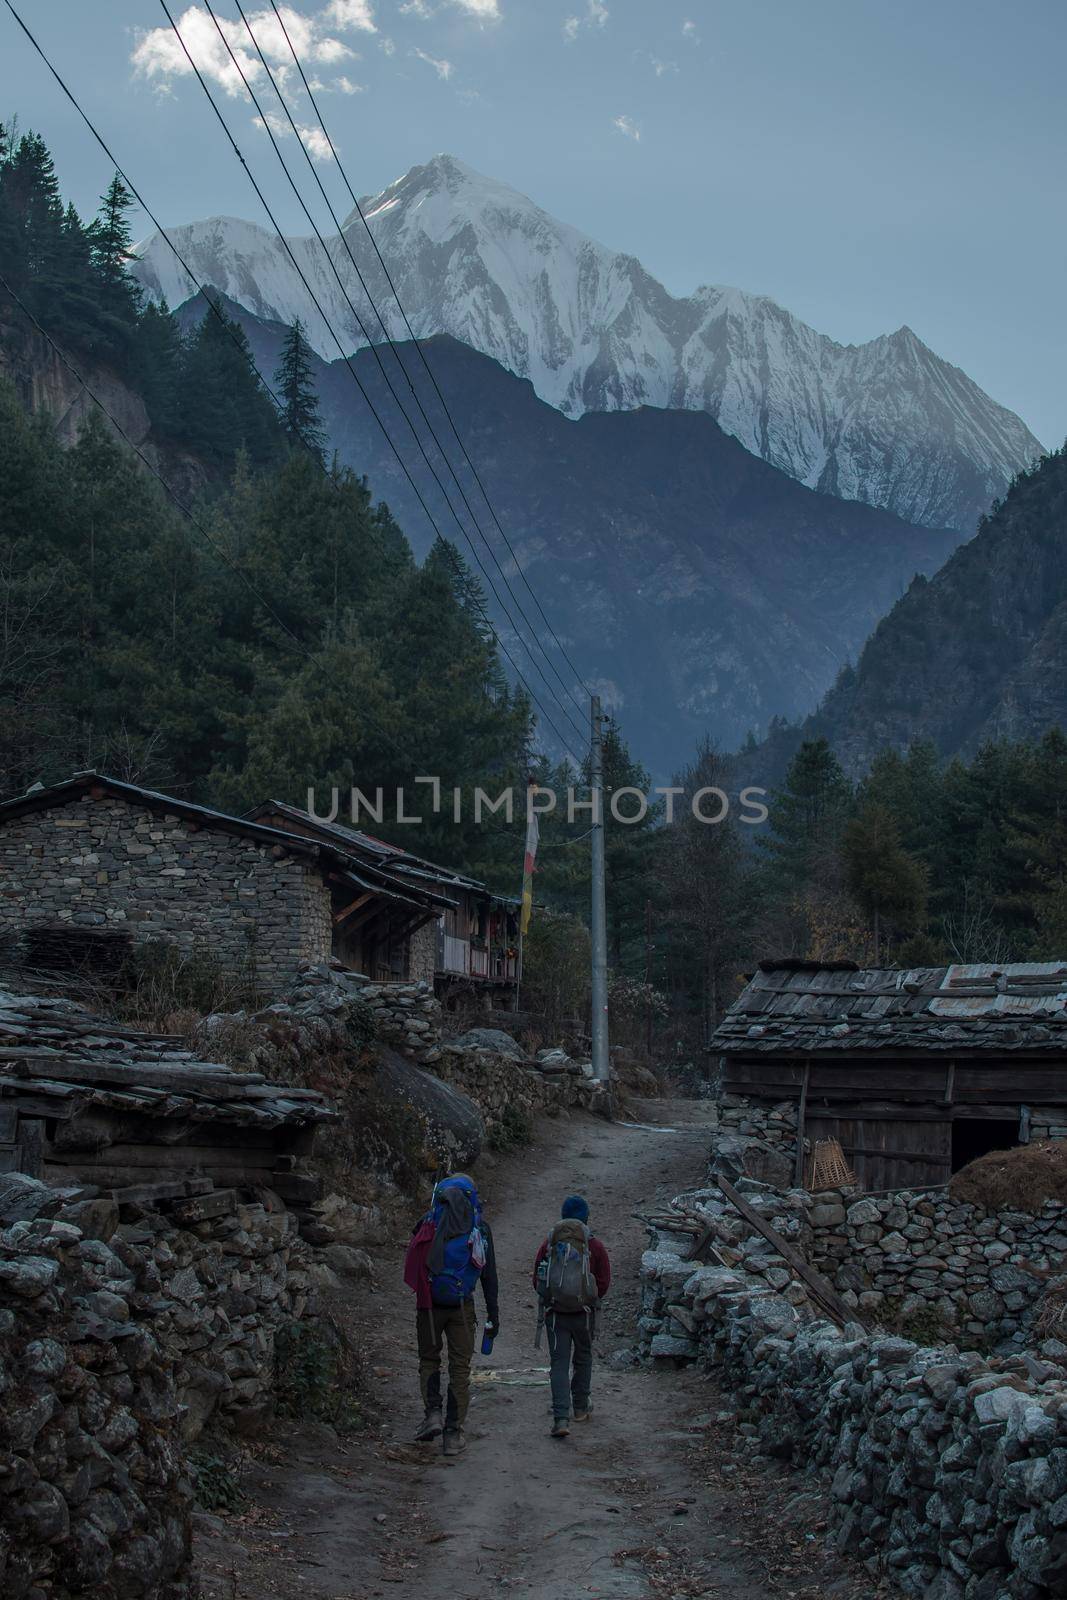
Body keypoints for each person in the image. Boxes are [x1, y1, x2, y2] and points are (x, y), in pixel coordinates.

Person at [403, 1172, 499, 1456]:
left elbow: (416, 1259)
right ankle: (453, 1434)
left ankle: (433, 1413)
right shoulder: (479, 1228)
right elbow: (488, 1278)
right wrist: (493, 1316)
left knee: (429, 1359)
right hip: (461, 1305)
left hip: (429, 1305)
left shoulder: (428, 1221)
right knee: (459, 1368)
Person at [533, 1194, 611, 1438]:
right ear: (586, 1217)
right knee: (584, 1358)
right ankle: (580, 1408)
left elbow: (538, 1279)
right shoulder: (594, 1245)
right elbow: (604, 1281)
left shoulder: (550, 1243)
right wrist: (588, 1297)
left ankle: (560, 1418)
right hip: (584, 1314)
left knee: (559, 1364)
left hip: (555, 1314)